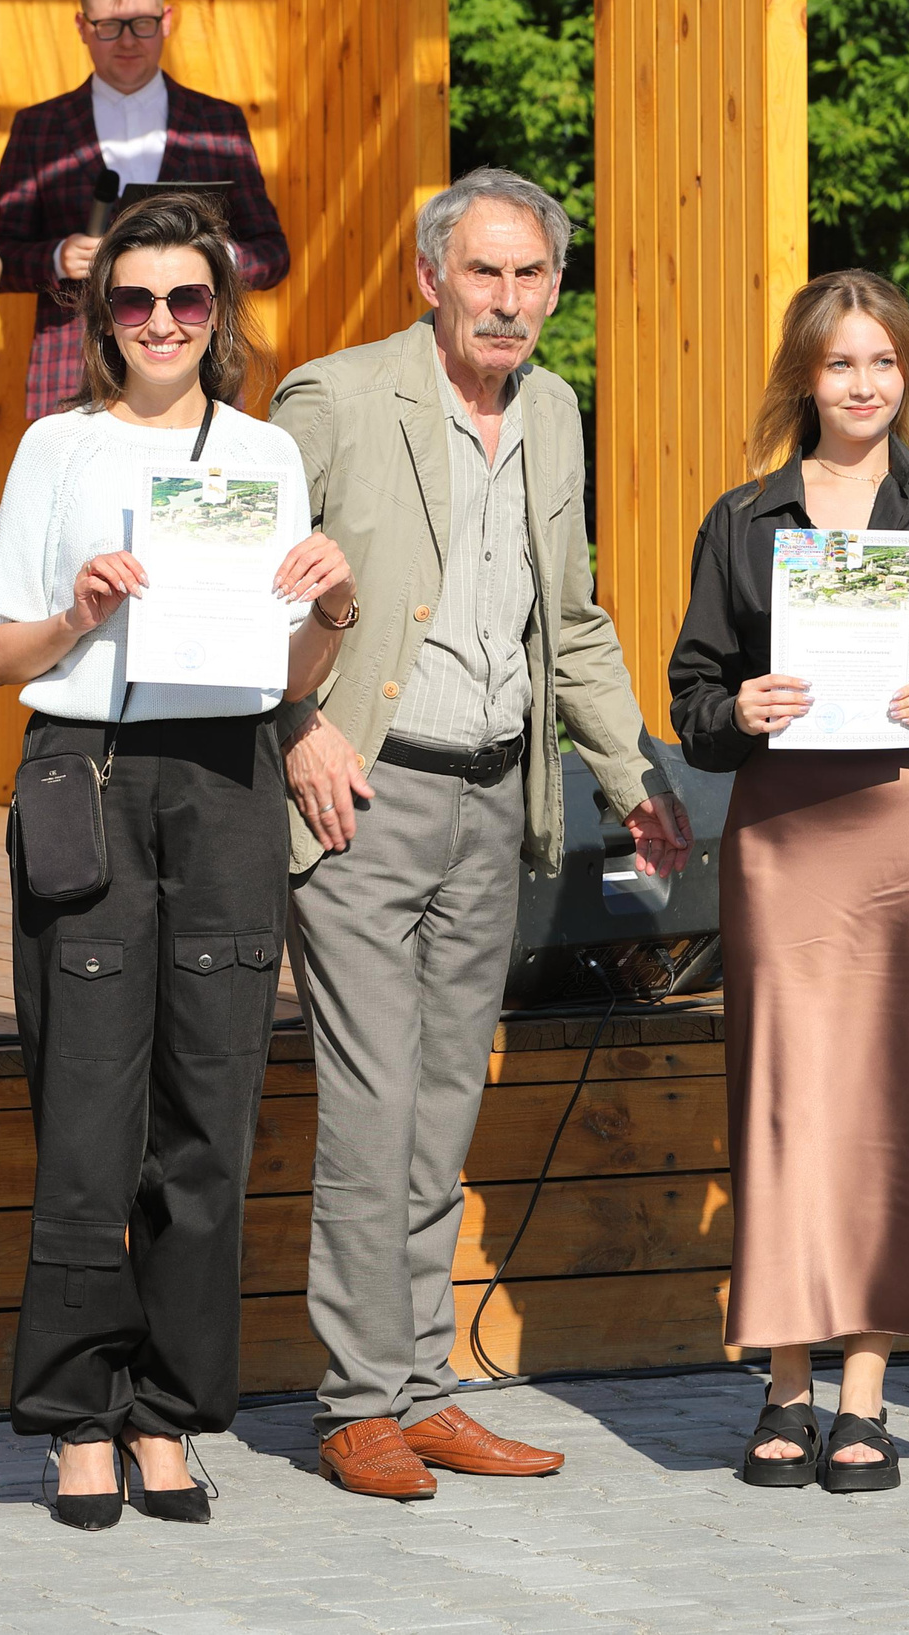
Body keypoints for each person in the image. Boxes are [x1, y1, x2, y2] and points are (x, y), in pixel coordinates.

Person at [269, 166, 693, 1499]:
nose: (508, 300)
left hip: (499, 801)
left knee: (444, 1103)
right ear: (430, 278)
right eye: (485, 273)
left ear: (554, 291)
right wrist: (292, 727)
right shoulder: (333, 398)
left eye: (531, 277)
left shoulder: (557, 412)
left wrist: (634, 780)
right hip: (363, 793)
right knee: (376, 1098)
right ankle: (357, 1403)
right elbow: (243, 596)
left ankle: (420, 1389)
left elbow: (570, 618)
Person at [0, 196, 356, 1530]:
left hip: (228, 785)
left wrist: (339, 606)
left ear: (219, 314)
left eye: (186, 301)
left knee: (207, 1119)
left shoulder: (262, 454)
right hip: (88, 771)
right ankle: (79, 1415)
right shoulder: (57, 447)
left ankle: (174, 1412)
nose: (161, 324)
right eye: (135, 302)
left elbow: (290, 672)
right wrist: (74, 608)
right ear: (101, 318)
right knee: (86, 1115)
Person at [667, 271, 909, 1494]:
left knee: (893, 1093)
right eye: (839, 366)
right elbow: (693, 691)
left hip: (908, 826)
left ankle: (864, 1391)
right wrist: (739, 708)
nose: (862, 386)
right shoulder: (742, 518)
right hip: (785, 835)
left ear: (905, 378)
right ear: (804, 380)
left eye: (882, 364)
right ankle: (783, 1382)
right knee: (785, 1097)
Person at [0, 0, 290, 421]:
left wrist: (216, 255)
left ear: (166, 21)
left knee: (188, 495)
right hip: (73, 367)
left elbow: (273, 253)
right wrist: (56, 256)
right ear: (82, 26)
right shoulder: (40, 126)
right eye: (109, 26)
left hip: (196, 365)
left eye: (142, 23)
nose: (127, 40)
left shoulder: (218, 121)